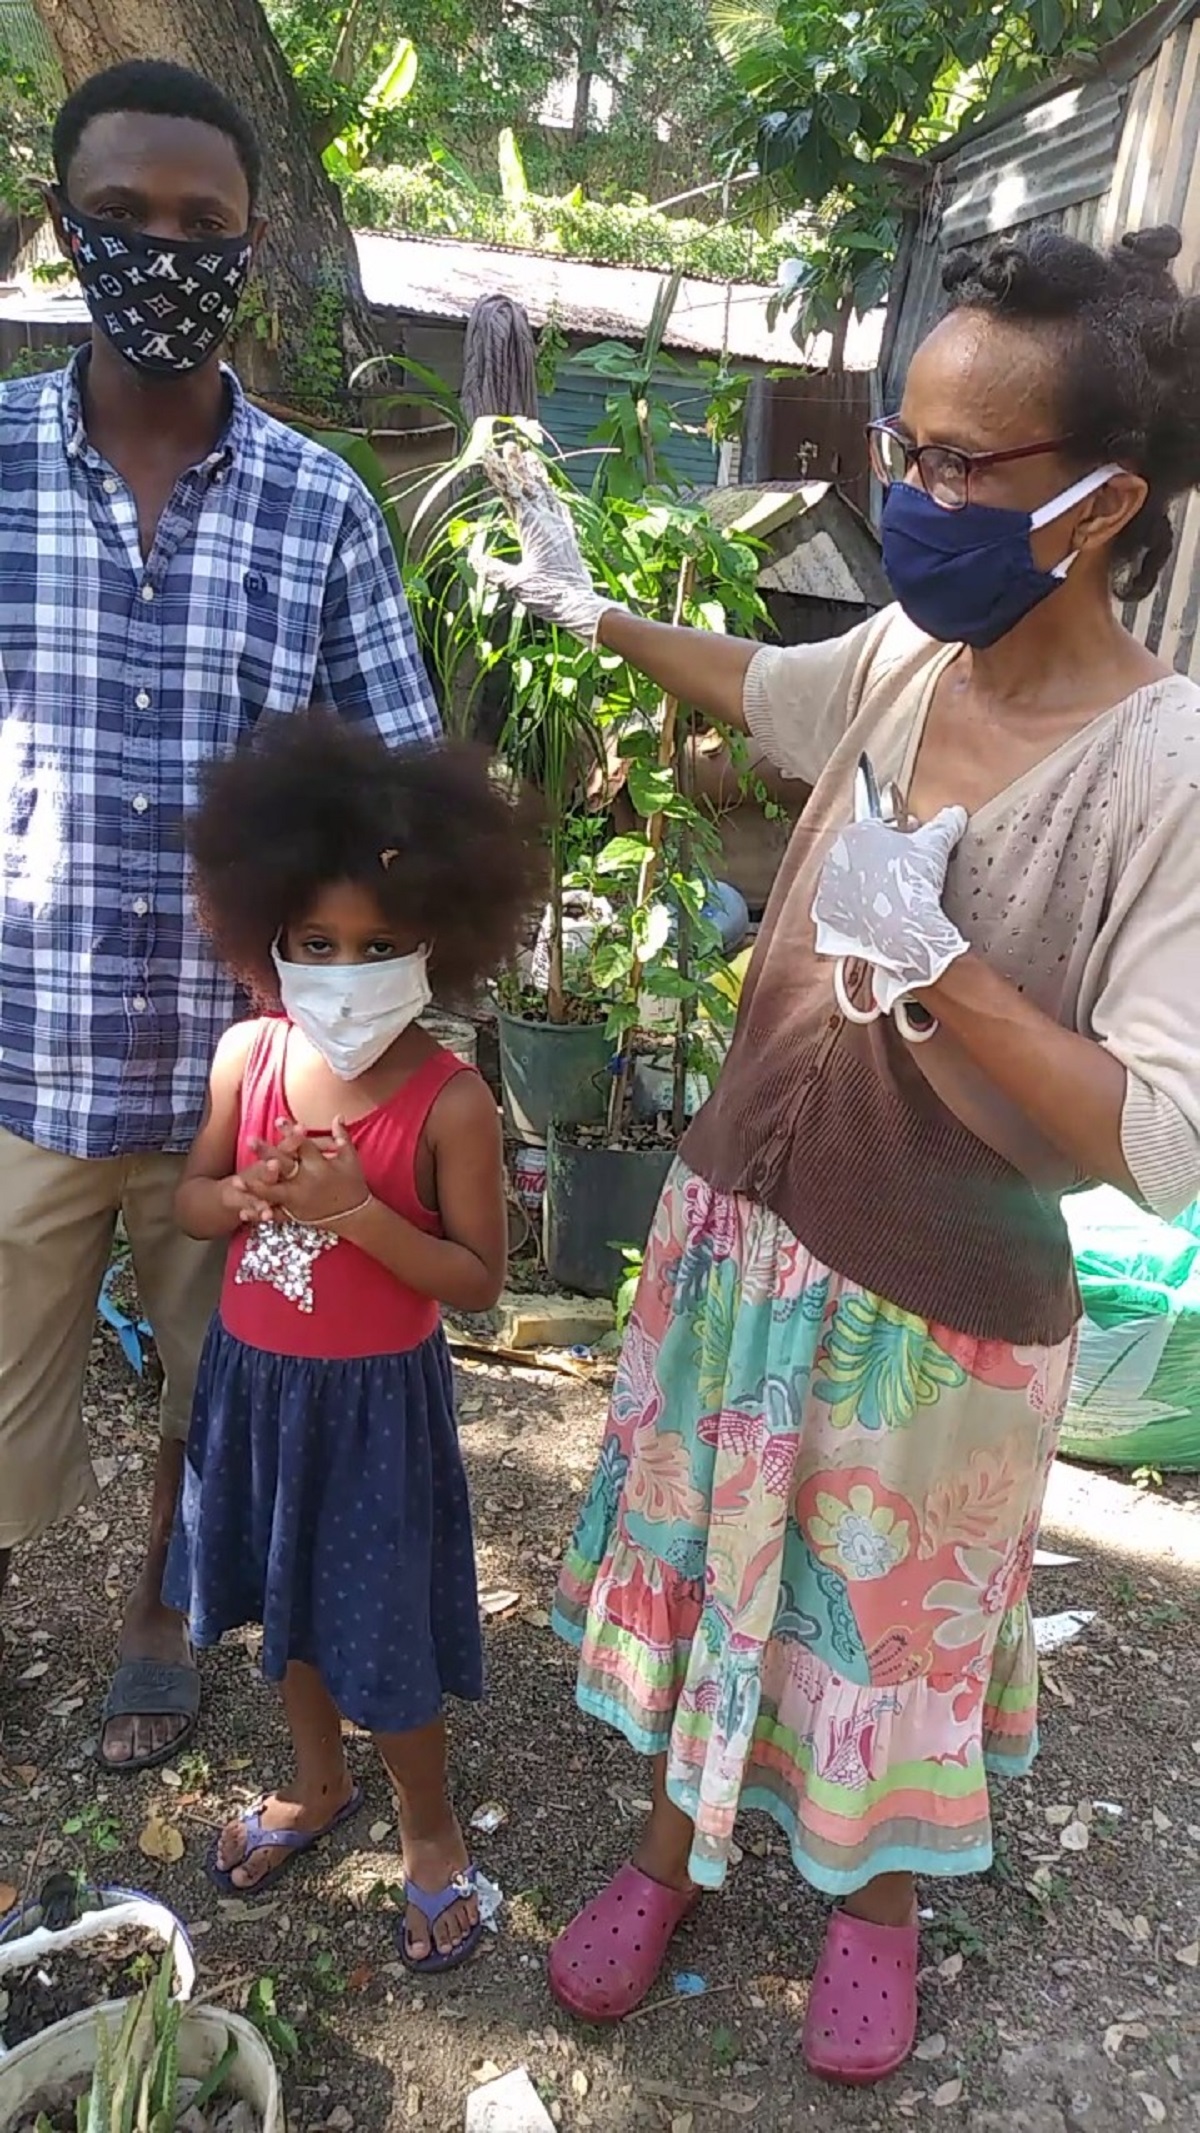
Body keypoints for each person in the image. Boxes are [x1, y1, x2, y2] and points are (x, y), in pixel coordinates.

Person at [484, 224, 1200, 2081]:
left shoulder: (1166, 763)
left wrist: (942, 964)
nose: (916, 496)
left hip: (940, 1303)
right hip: (743, 1221)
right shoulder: (901, 652)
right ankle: (672, 1847)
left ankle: (871, 1898)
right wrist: (593, 617)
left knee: (884, 1619)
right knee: (720, 1555)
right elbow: (767, 690)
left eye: (965, 466)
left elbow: (1160, 1136)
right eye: (910, 445)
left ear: (1107, 500)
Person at [0, 60, 440, 1773]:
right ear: (61, 231)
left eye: (204, 228)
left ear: (251, 250)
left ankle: (163, 1610)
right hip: (18, 1043)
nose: (163, 255)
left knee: (219, 1371)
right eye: (123, 219)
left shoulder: (320, 504)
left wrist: (372, 1035)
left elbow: (399, 782)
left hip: (241, 1080)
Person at [161, 710, 542, 1967]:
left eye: (377, 946)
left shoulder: (452, 1099)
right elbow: (191, 1201)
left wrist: (355, 1213)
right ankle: (316, 1783)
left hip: (376, 1408)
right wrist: (250, 1195)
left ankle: (431, 1833)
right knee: (289, 1614)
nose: (343, 966)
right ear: (264, 929)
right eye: (316, 942)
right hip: (258, 1392)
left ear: (438, 939)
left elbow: (477, 1282)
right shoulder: (248, 1055)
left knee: (381, 1624)